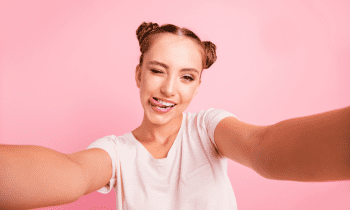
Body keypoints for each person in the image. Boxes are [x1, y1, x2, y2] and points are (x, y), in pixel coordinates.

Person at [0, 21, 349, 210]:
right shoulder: (117, 152)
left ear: (197, 87)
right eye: (157, 71)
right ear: (138, 74)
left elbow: (262, 147)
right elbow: (73, 174)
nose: (169, 89)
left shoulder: (208, 128)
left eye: (186, 77)